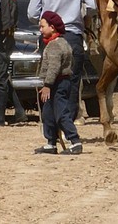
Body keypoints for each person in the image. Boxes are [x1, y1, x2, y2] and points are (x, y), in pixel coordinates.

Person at [27, 0, 96, 116]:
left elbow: (32, 13)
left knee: (49, 82)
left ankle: (51, 133)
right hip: (72, 36)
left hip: (50, 38)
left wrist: (45, 23)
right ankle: (68, 125)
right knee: (72, 84)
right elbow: (93, 6)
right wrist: (80, 15)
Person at [33, 11, 82, 155]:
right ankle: (51, 143)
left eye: (43, 26)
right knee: (48, 113)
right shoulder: (62, 43)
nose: (40, 30)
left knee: (61, 113)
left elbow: (54, 67)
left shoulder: (55, 45)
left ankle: (75, 141)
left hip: (57, 84)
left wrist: (47, 85)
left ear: (52, 27)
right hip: (58, 83)